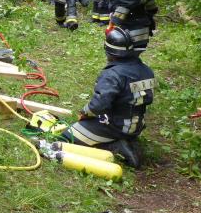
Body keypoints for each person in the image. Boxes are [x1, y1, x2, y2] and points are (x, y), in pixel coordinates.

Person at [62, 27, 155, 168]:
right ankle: (128, 140)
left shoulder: (113, 75)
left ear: (110, 53)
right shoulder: (147, 71)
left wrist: (84, 113)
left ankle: (115, 146)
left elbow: (99, 105)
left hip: (115, 126)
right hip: (136, 126)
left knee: (69, 136)